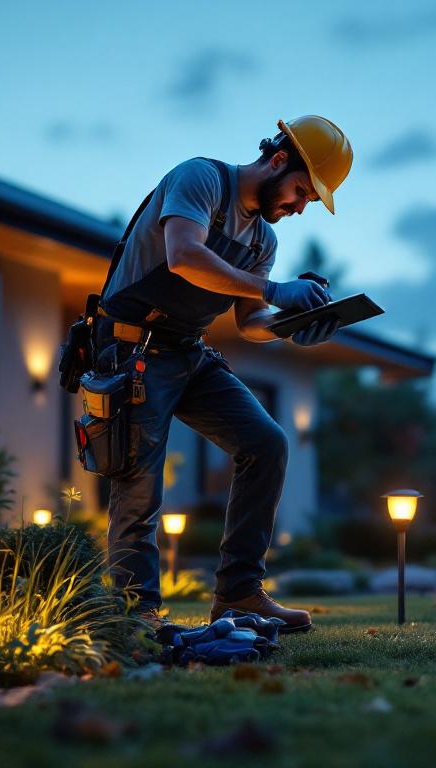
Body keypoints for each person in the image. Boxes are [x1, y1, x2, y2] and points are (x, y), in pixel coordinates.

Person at [93, 115, 353, 634]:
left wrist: (292, 326)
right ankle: (135, 615)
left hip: (187, 350)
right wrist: (276, 290)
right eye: (302, 190)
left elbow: (252, 323)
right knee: (139, 486)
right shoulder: (202, 179)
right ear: (278, 160)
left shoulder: (262, 241)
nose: (301, 206)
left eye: (309, 200)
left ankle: (240, 595)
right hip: (129, 347)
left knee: (268, 443)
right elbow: (184, 255)